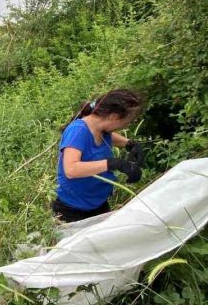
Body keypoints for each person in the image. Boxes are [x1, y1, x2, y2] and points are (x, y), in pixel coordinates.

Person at [52, 89, 145, 223]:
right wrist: (114, 163)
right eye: (127, 121)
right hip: (73, 210)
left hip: (98, 204)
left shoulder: (102, 128)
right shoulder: (78, 131)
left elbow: (109, 136)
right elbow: (71, 169)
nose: (126, 125)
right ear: (114, 117)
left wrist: (129, 144)